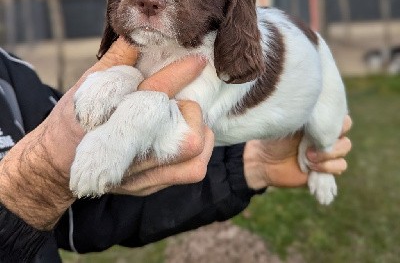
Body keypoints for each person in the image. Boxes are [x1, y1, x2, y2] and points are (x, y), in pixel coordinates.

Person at [0, 38, 352, 263]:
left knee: (326, 131)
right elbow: (67, 169)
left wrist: (251, 164)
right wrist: (38, 180)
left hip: (305, 77)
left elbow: (83, 211)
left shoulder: (11, 73)